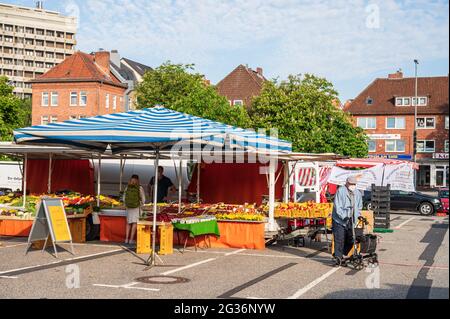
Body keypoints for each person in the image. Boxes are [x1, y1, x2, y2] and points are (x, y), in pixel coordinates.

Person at [332, 175, 362, 266]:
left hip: (352, 219)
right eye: (351, 184)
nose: (353, 185)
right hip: (339, 220)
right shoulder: (340, 191)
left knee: (351, 238)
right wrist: (343, 216)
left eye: (354, 184)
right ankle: (338, 257)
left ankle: (341, 253)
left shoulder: (357, 193)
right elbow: (337, 206)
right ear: (347, 183)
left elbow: (359, 206)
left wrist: (358, 216)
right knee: (339, 239)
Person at [123, 174, 145, 245]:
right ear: (138, 180)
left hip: (129, 208)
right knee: (134, 223)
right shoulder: (139, 188)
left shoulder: (127, 187)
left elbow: (124, 198)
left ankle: (126, 239)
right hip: (136, 207)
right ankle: (131, 240)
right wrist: (141, 204)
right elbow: (143, 199)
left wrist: (127, 204)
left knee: (128, 223)